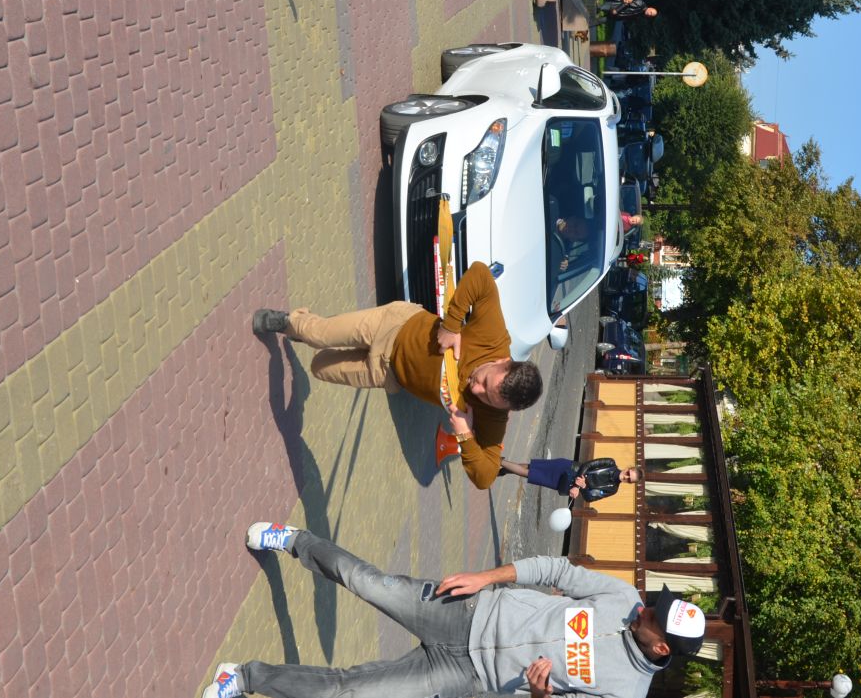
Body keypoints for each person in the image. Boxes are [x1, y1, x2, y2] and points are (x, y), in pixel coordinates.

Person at [202, 522, 706, 698]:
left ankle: (244, 678)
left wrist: (539, 694)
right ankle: (293, 539)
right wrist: (485, 577)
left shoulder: (626, 691)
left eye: (654, 616)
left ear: (661, 647)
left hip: (465, 674)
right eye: (657, 603)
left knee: (349, 691)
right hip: (467, 611)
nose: (646, 608)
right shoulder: (622, 599)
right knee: (366, 582)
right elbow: (556, 569)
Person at [252, 262, 542, 489]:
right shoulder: (495, 338)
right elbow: (481, 276)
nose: (476, 390)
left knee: (320, 367)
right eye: (485, 382)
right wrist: (452, 326)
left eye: (487, 398)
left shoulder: (494, 416)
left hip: (387, 373)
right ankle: (291, 323)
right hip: (394, 325)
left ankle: (305, 329)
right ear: (503, 361)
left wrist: (465, 434)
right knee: (318, 335)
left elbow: (486, 477)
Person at [499, 458, 641, 499]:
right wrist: (579, 483)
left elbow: (591, 497)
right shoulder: (610, 463)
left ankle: (500, 462)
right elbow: (588, 464)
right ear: (628, 468)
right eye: (629, 473)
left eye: (629, 480)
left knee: (531, 474)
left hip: (564, 483)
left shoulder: (612, 489)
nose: (626, 477)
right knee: (533, 466)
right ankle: (504, 467)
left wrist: (583, 487)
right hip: (568, 468)